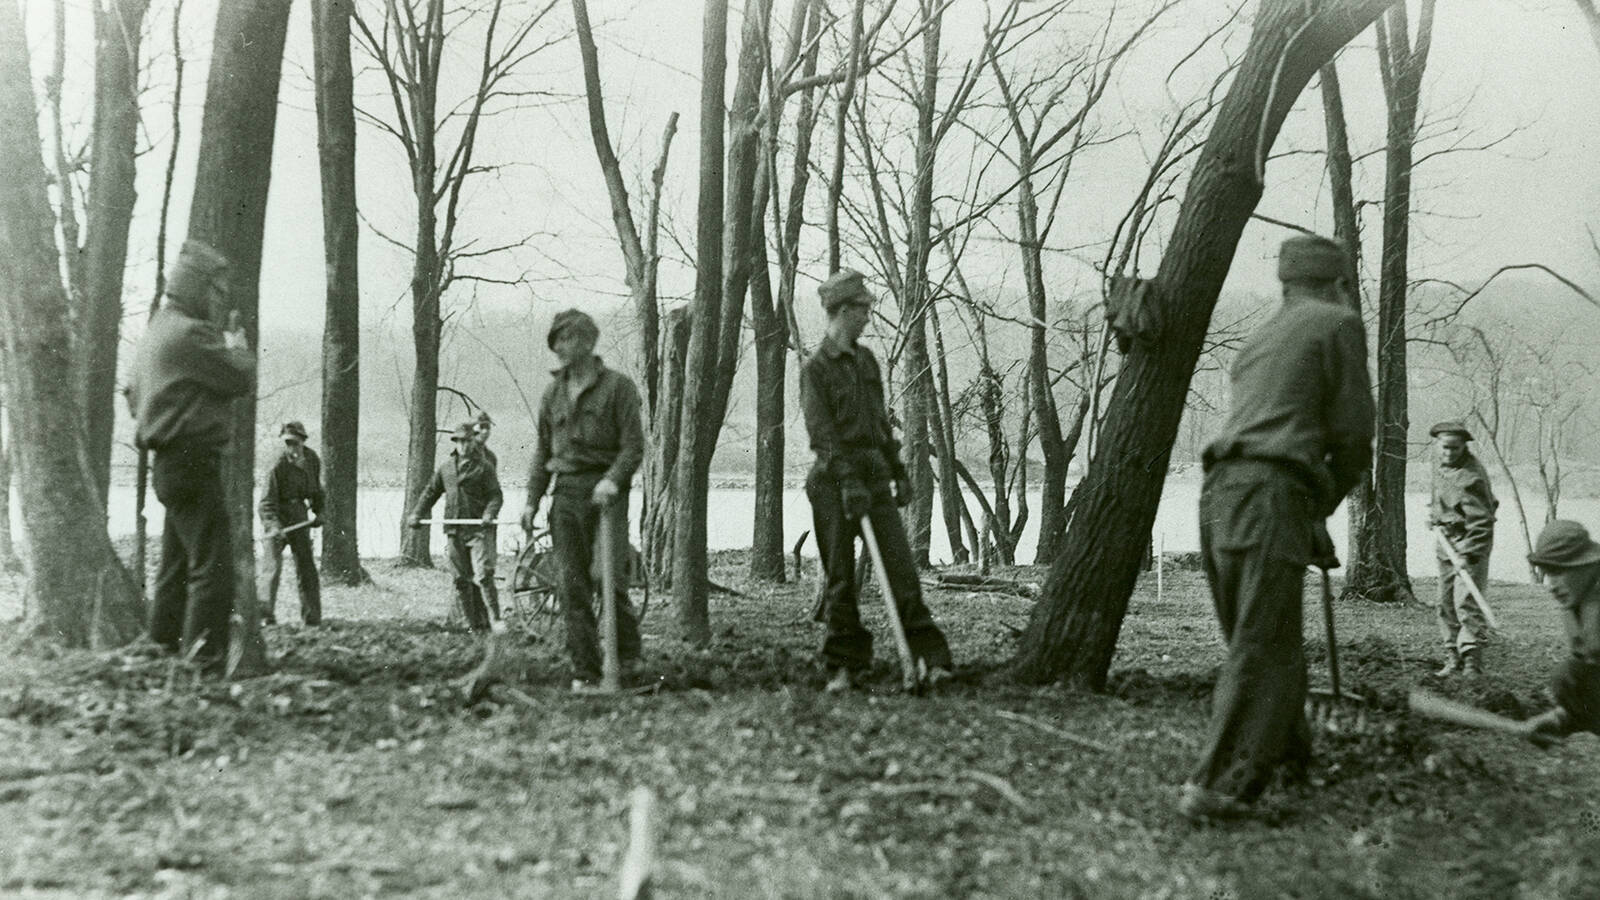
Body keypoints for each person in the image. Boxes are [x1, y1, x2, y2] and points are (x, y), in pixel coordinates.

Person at [1180, 234, 1375, 821]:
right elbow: (1352, 437)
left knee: (1263, 634)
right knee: (1263, 645)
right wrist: (1319, 501)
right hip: (1271, 495)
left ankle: (1290, 755)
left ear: (1286, 283)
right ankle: (1219, 786)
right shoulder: (1339, 324)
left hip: (1218, 496)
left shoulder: (1259, 336)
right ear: (1339, 280)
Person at [800, 268, 953, 694]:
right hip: (833, 483)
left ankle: (929, 659)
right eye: (863, 309)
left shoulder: (867, 361)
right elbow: (822, 436)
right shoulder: (815, 369)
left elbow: (880, 424)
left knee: (901, 569)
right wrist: (848, 482)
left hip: (873, 477)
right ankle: (843, 666)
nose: (869, 316)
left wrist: (898, 470)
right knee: (841, 578)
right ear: (843, 311)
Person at [127, 239, 254, 672]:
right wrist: (236, 343)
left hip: (167, 463)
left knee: (176, 565)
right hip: (192, 461)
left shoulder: (157, 330)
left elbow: (131, 394)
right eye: (217, 291)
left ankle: (161, 648)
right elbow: (240, 377)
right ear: (197, 287)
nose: (220, 301)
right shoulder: (191, 334)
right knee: (212, 568)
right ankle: (204, 663)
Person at [520, 309, 645, 692]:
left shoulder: (618, 388)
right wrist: (531, 500)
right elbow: (542, 451)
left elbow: (633, 446)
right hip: (566, 494)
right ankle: (586, 672)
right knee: (572, 584)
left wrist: (612, 480)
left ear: (588, 341)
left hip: (606, 494)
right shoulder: (553, 393)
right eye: (555, 341)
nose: (559, 348)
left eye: (567, 339)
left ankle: (629, 663)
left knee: (608, 578)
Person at [407, 423, 501, 633]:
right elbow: (431, 492)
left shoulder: (484, 467)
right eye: (460, 441)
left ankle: (496, 620)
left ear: (473, 442)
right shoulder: (446, 468)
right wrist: (417, 513)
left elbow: (496, 495)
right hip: (454, 530)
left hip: (477, 531)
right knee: (460, 579)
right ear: (455, 443)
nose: (464, 446)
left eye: (467, 441)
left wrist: (489, 514)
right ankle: (470, 625)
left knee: (484, 575)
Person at [1427, 420, 1497, 677]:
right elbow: (1440, 498)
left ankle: (1471, 662)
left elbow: (1482, 520)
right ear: (1437, 446)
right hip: (1445, 541)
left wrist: (1468, 553)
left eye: (1454, 449)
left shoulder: (1471, 476)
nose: (1448, 453)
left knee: (1466, 601)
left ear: (1463, 447)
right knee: (1444, 601)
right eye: (1444, 447)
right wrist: (1435, 516)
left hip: (1470, 542)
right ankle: (1452, 657)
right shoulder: (1439, 465)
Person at [1523, 520, 1600, 747]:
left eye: (1558, 573)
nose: (1551, 585)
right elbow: (1588, 676)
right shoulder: (1575, 603)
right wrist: (1561, 718)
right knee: (1569, 676)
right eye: (1547, 574)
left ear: (1587, 565)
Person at [258, 421, 325, 626]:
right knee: (271, 568)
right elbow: (266, 503)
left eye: (295, 443)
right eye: (287, 443)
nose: (291, 448)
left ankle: (312, 618)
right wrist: (274, 527)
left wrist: (319, 511)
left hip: (299, 516)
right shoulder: (277, 464)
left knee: (306, 567)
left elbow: (316, 491)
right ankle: (264, 617)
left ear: (303, 442)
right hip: (277, 516)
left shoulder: (312, 459)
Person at [471, 410, 501, 619]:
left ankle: (490, 615)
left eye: (487, 427)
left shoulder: (491, 458)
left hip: (486, 518)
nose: (484, 432)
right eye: (481, 427)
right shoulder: (462, 453)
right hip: (466, 516)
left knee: (486, 569)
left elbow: (493, 490)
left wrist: (489, 512)